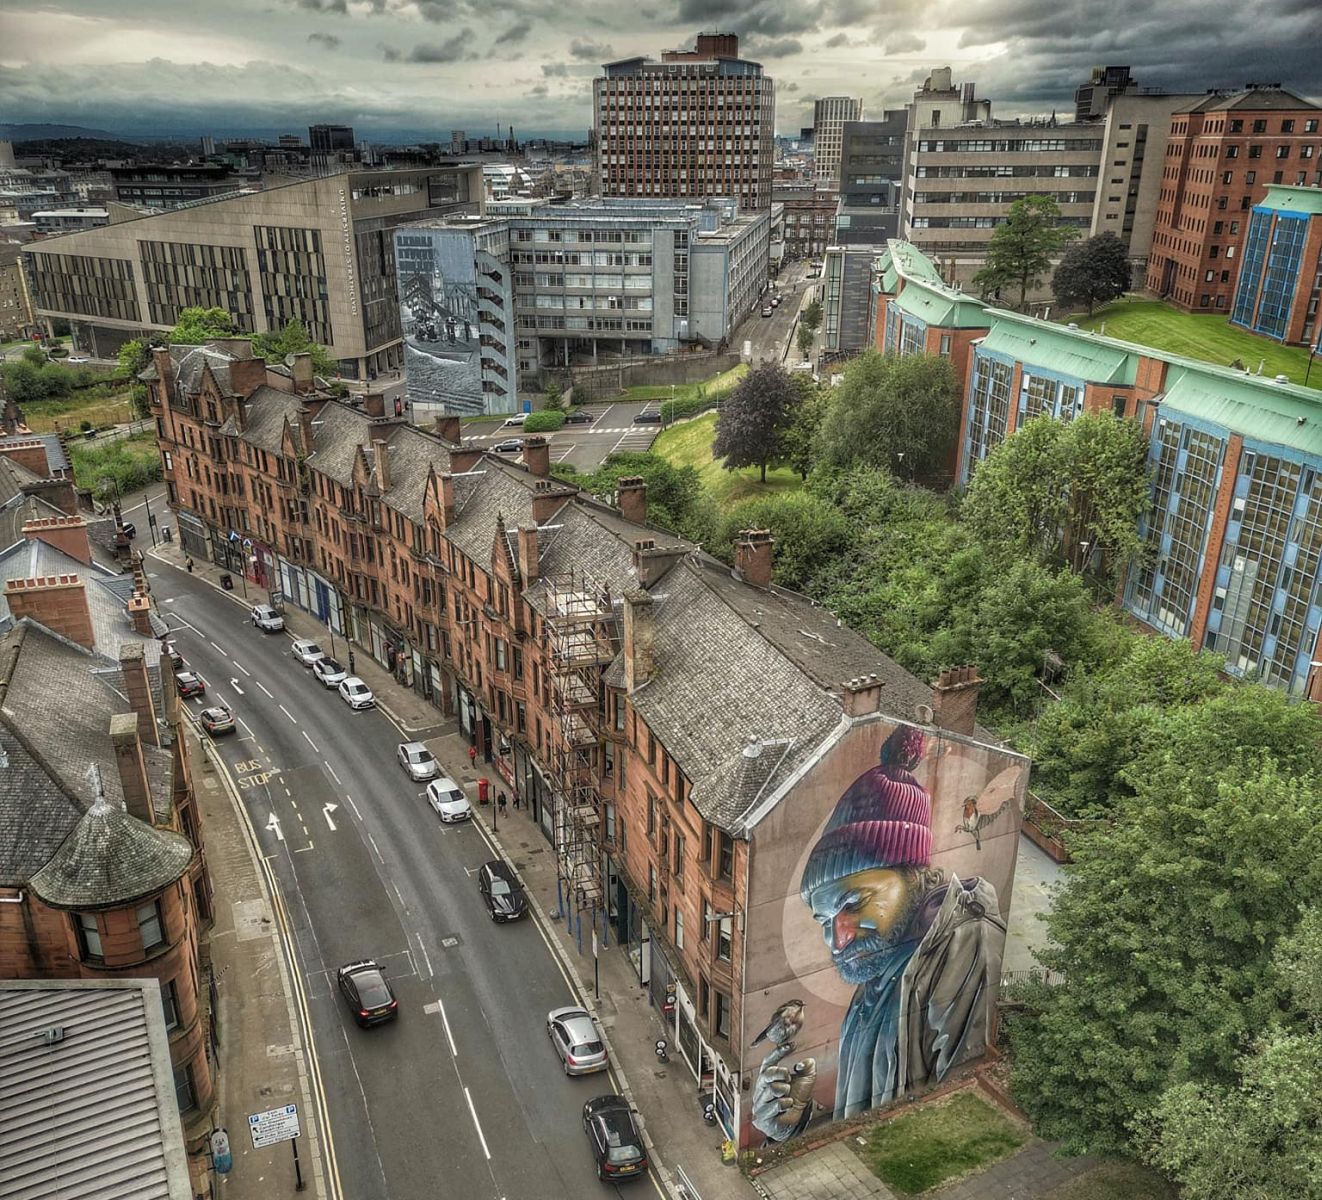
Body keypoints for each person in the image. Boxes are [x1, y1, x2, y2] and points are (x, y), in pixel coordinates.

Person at [751, 724, 1005, 1141]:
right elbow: (866, 1125)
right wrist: (796, 1124)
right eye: (824, 921)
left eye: (852, 903)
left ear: (912, 874)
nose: (838, 938)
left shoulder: (961, 944)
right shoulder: (882, 972)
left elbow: (947, 1133)